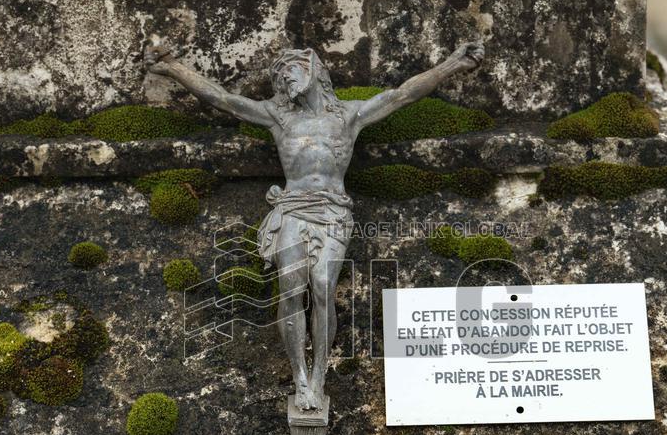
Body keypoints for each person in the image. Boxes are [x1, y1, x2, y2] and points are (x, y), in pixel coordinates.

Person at [146, 40, 485, 412]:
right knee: (290, 289)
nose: (282, 79)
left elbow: (402, 95)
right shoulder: (279, 117)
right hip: (293, 208)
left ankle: (319, 374)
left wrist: (453, 63)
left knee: (323, 286)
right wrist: (174, 68)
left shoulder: (348, 116)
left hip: (333, 211)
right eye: (277, 75)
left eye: (288, 70)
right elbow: (224, 100)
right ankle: (300, 378)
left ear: (312, 70)